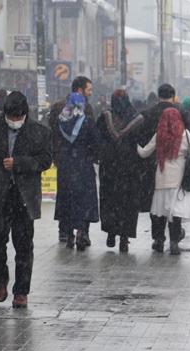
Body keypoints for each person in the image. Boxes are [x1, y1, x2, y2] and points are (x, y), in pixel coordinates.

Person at [0, 91, 52, 308]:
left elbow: (45, 160)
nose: (14, 121)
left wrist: (20, 163)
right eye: (11, 117)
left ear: (25, 114)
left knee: (24, 245)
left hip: (23, 196)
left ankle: (21, 291)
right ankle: (1, 277)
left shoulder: (39, 131)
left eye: (18, 117)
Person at [119, 84, 187, 248]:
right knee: (174, 204)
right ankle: (175, 237)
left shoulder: (147, 114)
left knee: (156, 204)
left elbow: (141, 139)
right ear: (173, 95)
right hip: (177, 167)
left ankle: (158, 237)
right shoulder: (181, 113)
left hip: (152, 164)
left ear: (158, 96)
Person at [137, 108, 190, 256]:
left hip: (162, 178)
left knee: (159, 212)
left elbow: (144, 153)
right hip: (179, 179)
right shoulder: (186, 134)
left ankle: (159, 240)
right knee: (175, 213)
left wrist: (134, 144)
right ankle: (174, 242)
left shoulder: (160, 134)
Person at [47, 76, 95, 243]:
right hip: (82, 160)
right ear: (80, 90)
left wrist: (55, 155)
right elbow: (91, 135)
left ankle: (65, 230)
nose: (90, 93)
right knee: (83, 196)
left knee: (65, 194)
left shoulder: (58, 108)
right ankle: (83, 230)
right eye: (88, 90)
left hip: (64, 159)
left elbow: (51, 133)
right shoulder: (86, 108)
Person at [98, 90, 145, 253]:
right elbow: (142, 141)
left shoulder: (105, 118)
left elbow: (98, 140)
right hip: (130, 168)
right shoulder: (136, 118)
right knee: (128, 203)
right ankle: (124, 238)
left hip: (109, 168)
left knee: (110, 200)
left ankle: (111, 232)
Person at [53, 92, 101, 250]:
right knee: (84, 198)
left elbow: (54, 142)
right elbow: (97, 143)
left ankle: (69, 235)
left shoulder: (59, 121)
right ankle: (82, 231)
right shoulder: (87, 122)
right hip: (83, 165)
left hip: (65, 166)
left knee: (67, 197)